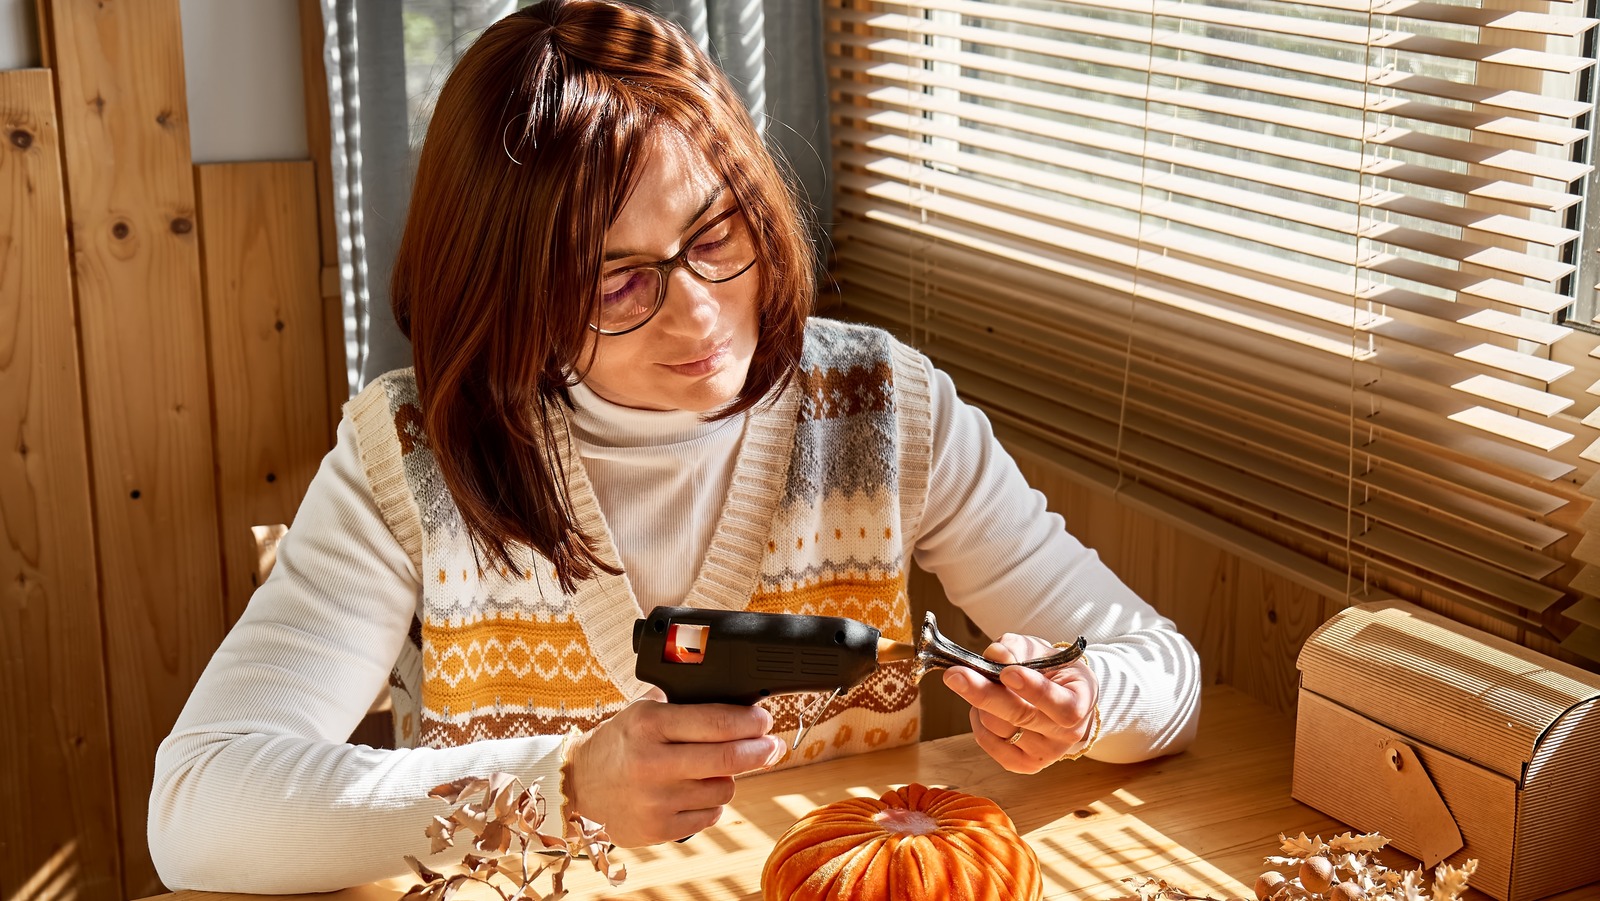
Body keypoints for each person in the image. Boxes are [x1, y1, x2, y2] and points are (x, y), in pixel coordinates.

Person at [148, 0, 1201, 892]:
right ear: (510, 295)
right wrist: (565, 783)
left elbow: (1166, 674)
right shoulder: (421, 453)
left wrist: (1083, 700)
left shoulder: (880, 410)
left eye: (716, 236)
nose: (701, 316)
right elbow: (197, 809)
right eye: (618, 281)